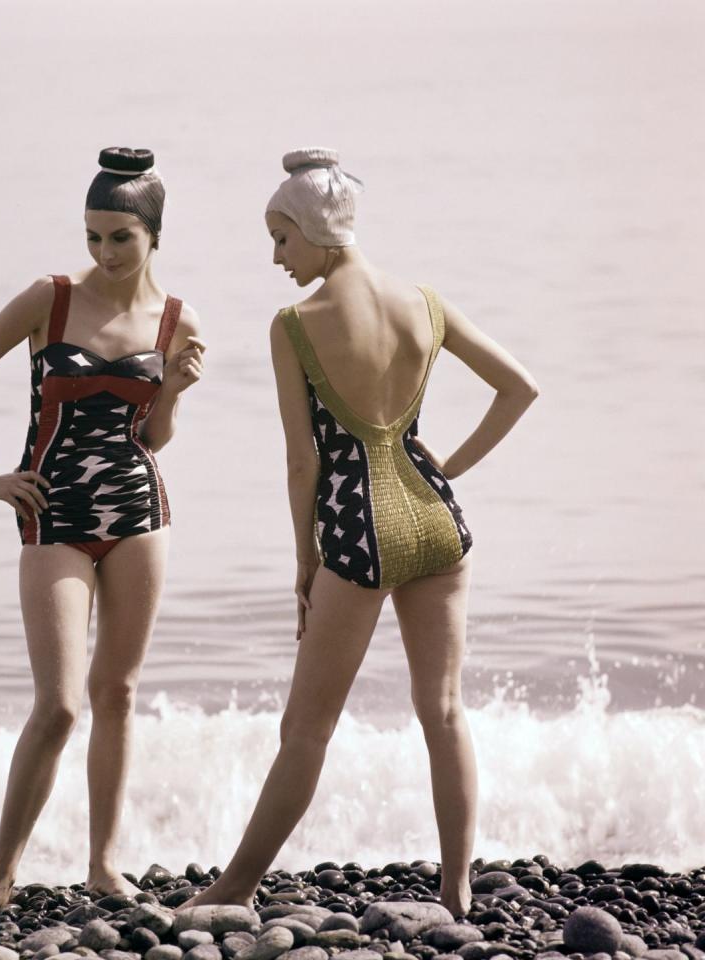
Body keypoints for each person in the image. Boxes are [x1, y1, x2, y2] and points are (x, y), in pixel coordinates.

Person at [182, 147, 538, 918]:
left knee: (306, 728)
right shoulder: (424, 303)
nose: (275, 254)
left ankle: (235, 887)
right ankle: (456, 889)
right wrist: (452, 464)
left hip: (356, 528)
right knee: (442, 710)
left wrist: (304, 563)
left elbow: (301, 463)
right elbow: (520, 387)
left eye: (282, 237)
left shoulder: (296, 325)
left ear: (316, 231)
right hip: (436, 514)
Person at [0, 146, 205, 919]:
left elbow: (153, 438)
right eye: (93, 235)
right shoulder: (48, 299)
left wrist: (174, 394)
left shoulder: (179, 318)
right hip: (53, 516)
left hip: (139, 515)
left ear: (154, 233)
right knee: (57, 704)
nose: (104, 252)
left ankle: (104, 866)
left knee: (116, 693)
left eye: (121, 236)